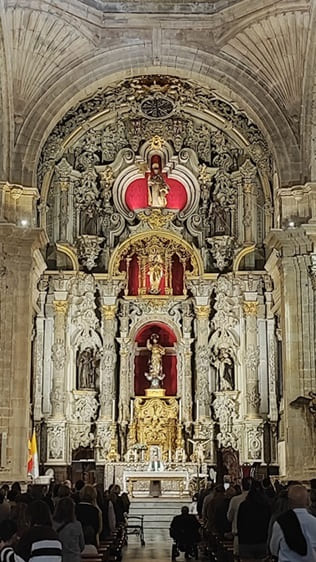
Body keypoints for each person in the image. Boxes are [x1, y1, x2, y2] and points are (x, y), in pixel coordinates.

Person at [270, 484, 316, 561]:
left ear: (289, 501)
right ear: (307, 500)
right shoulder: (314, 521)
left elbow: (274, 549)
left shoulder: (281, 522)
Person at [237, 480, 271, 561]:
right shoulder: (266, 506)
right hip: (262, 541)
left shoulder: (244, 505)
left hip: (246, 542)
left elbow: (239, 523)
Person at [53, 497, 84, 562]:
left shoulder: (53, 525)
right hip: (74, 558)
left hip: (59, 558)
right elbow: (81, 545)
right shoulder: (77, 525)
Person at [227, 477, 251, 557]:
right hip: (258, 539)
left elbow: (229, 517)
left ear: (242, 486)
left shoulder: (235, 500)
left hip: (239, 536)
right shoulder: (260, 500)